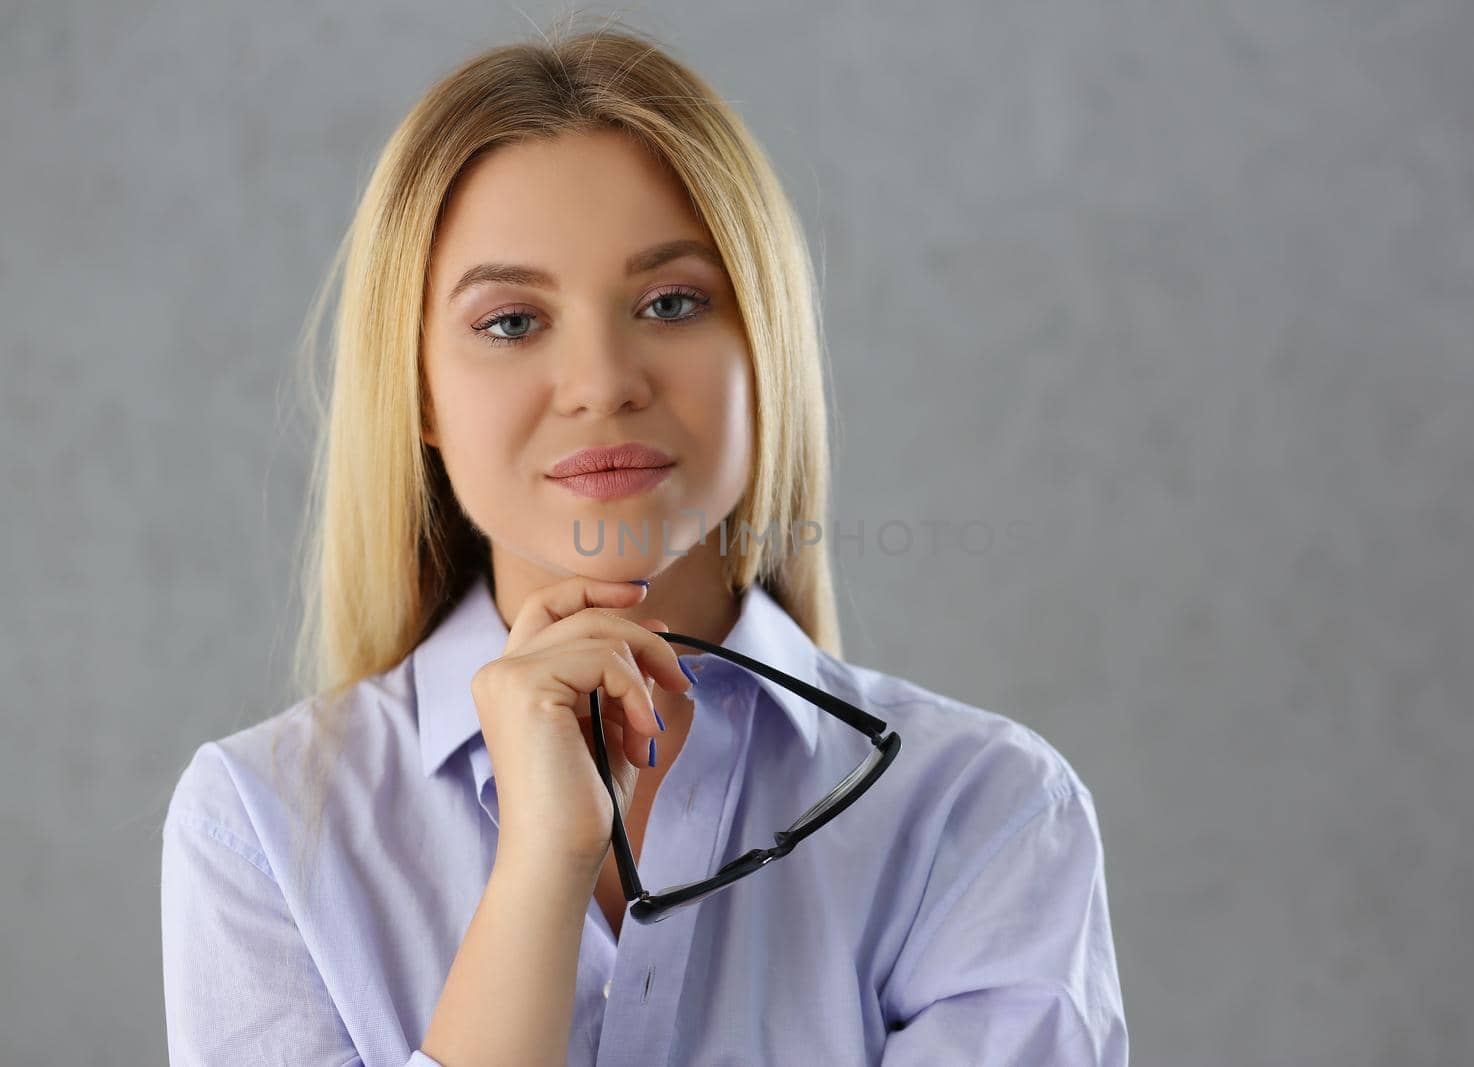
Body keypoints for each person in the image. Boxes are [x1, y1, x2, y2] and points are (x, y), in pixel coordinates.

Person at [160, 21, 1129, 1067]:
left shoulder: (984, 811)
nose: (601, 380)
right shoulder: (259, 824)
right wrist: (542, 869)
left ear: (766, 350)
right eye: (510, 321)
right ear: (419, 393)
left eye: (672, 302)